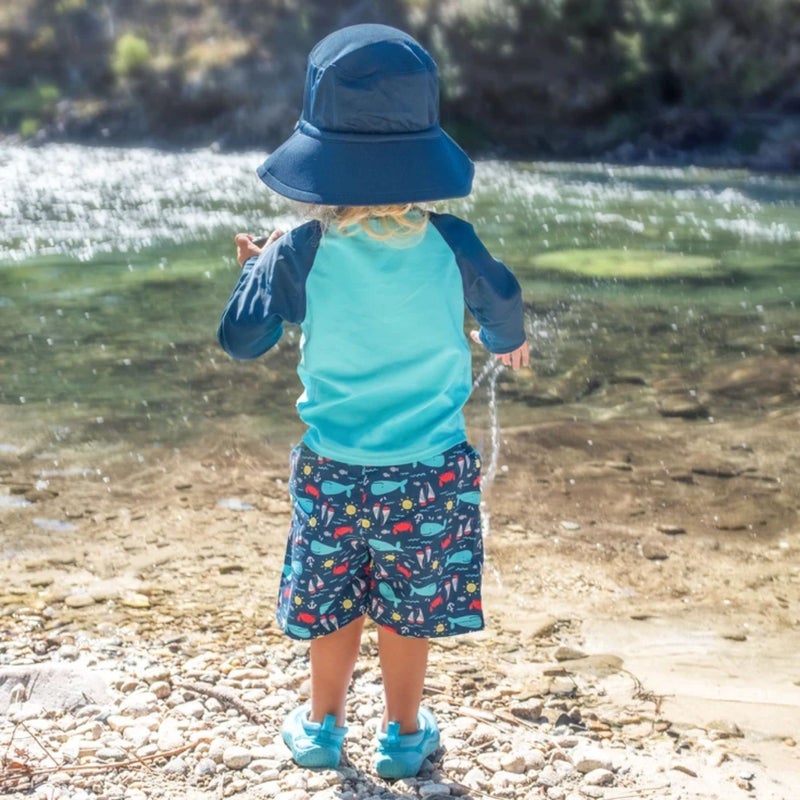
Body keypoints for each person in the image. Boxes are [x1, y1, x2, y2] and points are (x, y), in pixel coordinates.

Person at [217, 23, 529, 779]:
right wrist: (501, 339)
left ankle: (323, 728)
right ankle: (403, 735)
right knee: (409, 608)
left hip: (333, 471)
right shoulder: (453, 242)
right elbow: (504, 299)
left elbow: (242, 339)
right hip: (428, 471)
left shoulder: (303, 247)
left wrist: (261, 271)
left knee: (334, 602)